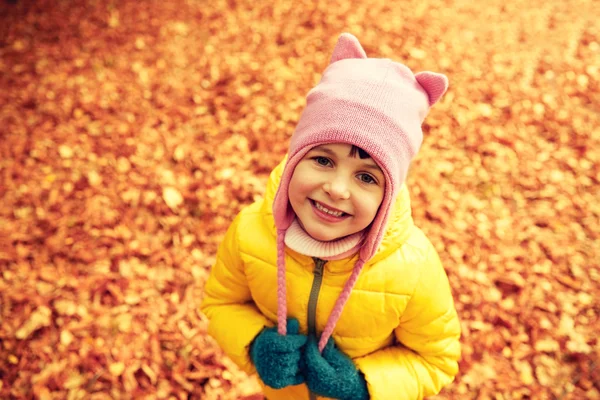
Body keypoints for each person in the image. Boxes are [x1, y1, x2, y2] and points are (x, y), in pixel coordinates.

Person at [200, 33, 461, 400]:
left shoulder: (413, 269)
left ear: (387, 196)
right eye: (323, 160)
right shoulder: (249, 232)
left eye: (367, 177)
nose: (337, 189)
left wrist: (363, 387)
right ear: (294, 162)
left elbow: (435, 361)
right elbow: (221, 303)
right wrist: (255, 346)